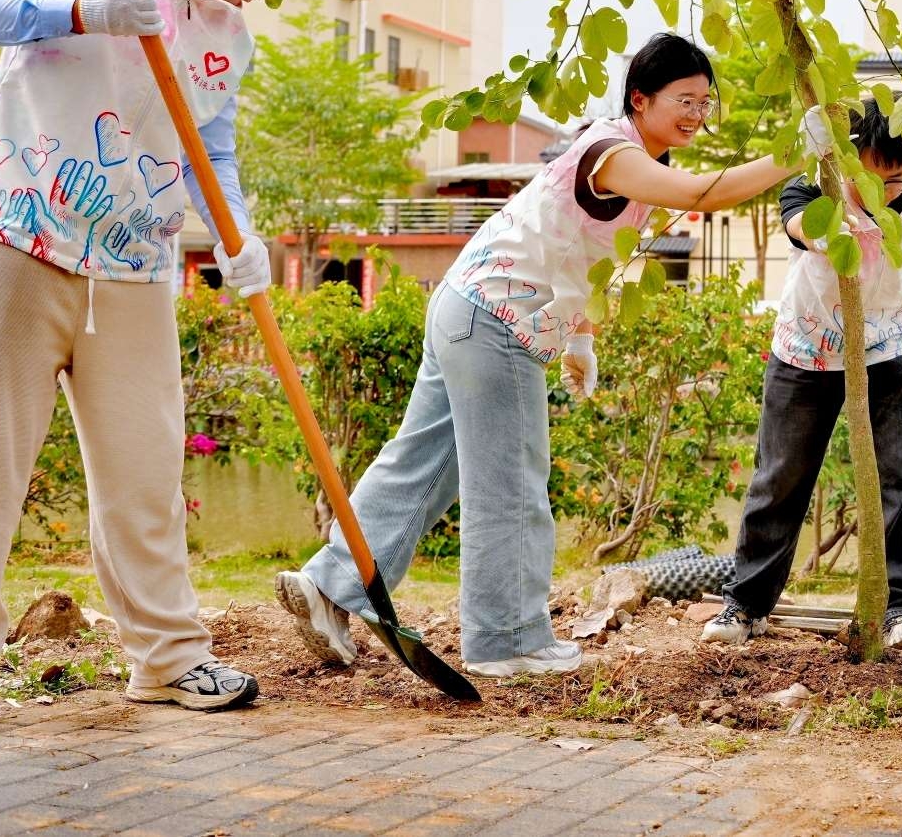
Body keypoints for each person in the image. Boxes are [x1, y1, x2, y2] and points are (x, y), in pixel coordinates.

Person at [0, 0, 326, 733]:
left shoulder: (229, 36)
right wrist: (82, 10)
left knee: (147, 470)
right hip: (14, 236)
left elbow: (211, 153)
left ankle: (168, 659)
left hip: (134, 269)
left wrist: (239, 238)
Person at [275, 35, 828, 678]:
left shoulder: (624, 155)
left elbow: (586, 255)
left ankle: (329, 584)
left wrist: (581, 337)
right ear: (640, 99)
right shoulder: (613, 151)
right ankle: (507, 638)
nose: (696, 114)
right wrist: (796, 153)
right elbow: (703, 194)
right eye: (684, 100)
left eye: (705, 102)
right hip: (497, 321)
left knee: (423, 466)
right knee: (511, 482)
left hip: (467, 306)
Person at [704, 99, 902, 651]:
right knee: (780, 477)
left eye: (898, 179)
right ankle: (746, 604)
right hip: (806, 351)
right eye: (874, 177)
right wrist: (832, 217)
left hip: (885, 350)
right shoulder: (816, 188)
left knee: (895, 478)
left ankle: (896, 609)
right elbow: (797, 224)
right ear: (849, 159)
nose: (888, 192)